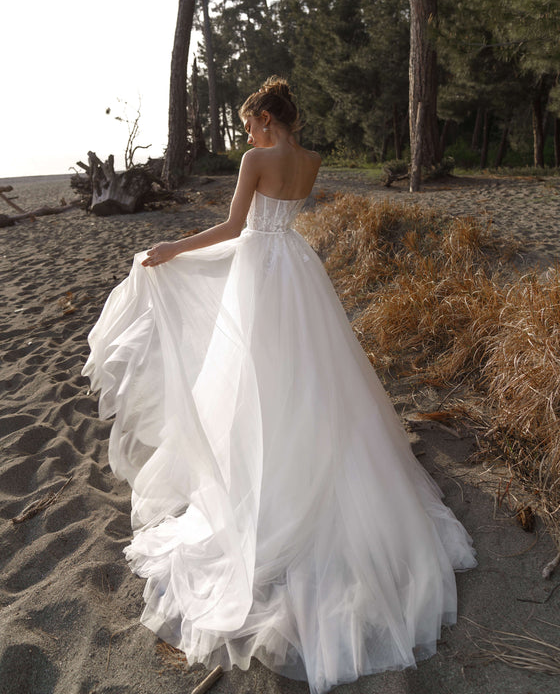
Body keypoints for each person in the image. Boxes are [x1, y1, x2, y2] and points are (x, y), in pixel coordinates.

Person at [83, 77, 476, 694]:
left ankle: (263, 492)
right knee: (311, 380)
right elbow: (274, 221)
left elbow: (236, 227)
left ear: (267, 117)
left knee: (256, 382)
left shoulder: (256, 160)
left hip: (262, 276)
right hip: (297, 268)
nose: (245, 134)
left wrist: (173, 248)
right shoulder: (310, 161)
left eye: (249, 123)